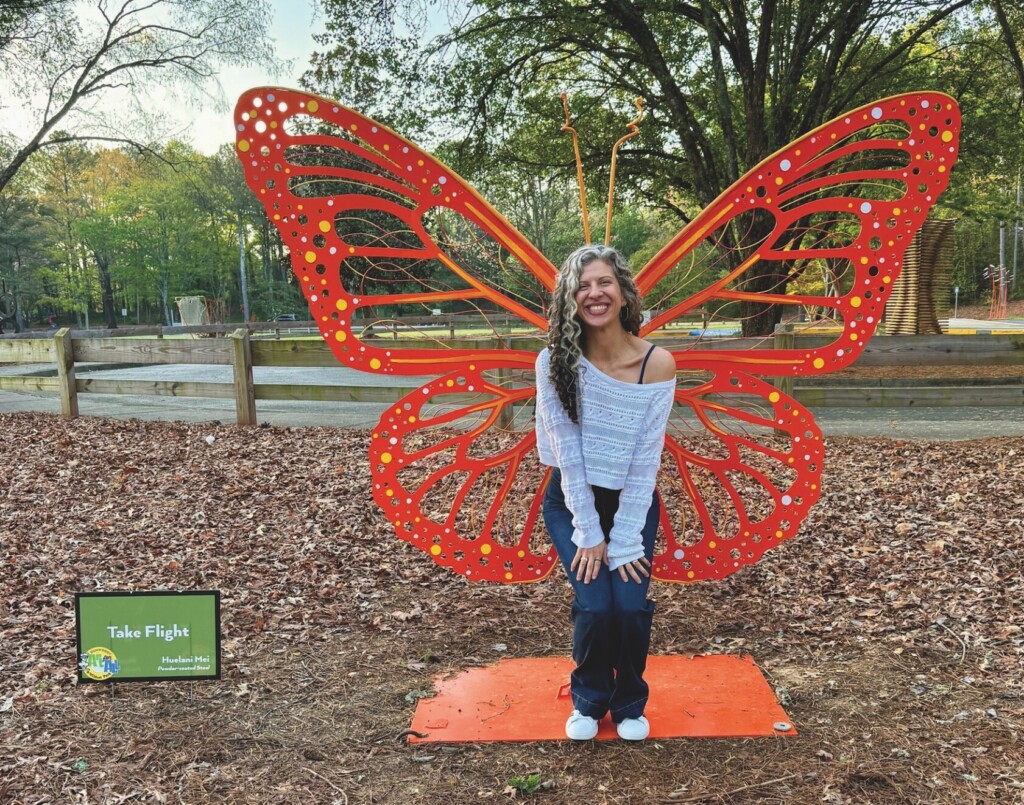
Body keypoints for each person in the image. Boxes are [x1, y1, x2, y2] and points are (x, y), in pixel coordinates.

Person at [535, 244, 676, 741]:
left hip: (632, 502)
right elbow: (566, 455)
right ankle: (590, 700)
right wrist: (589, 531)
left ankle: (630, 701)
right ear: (569, 300)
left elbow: (646, 459)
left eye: (603, 282)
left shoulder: (656, 364)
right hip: (572, 500)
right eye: (581, 286)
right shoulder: (555, 361)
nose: (593, 293)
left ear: (623, 291)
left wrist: (625, 536)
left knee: (631, 605)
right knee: (596, 605)